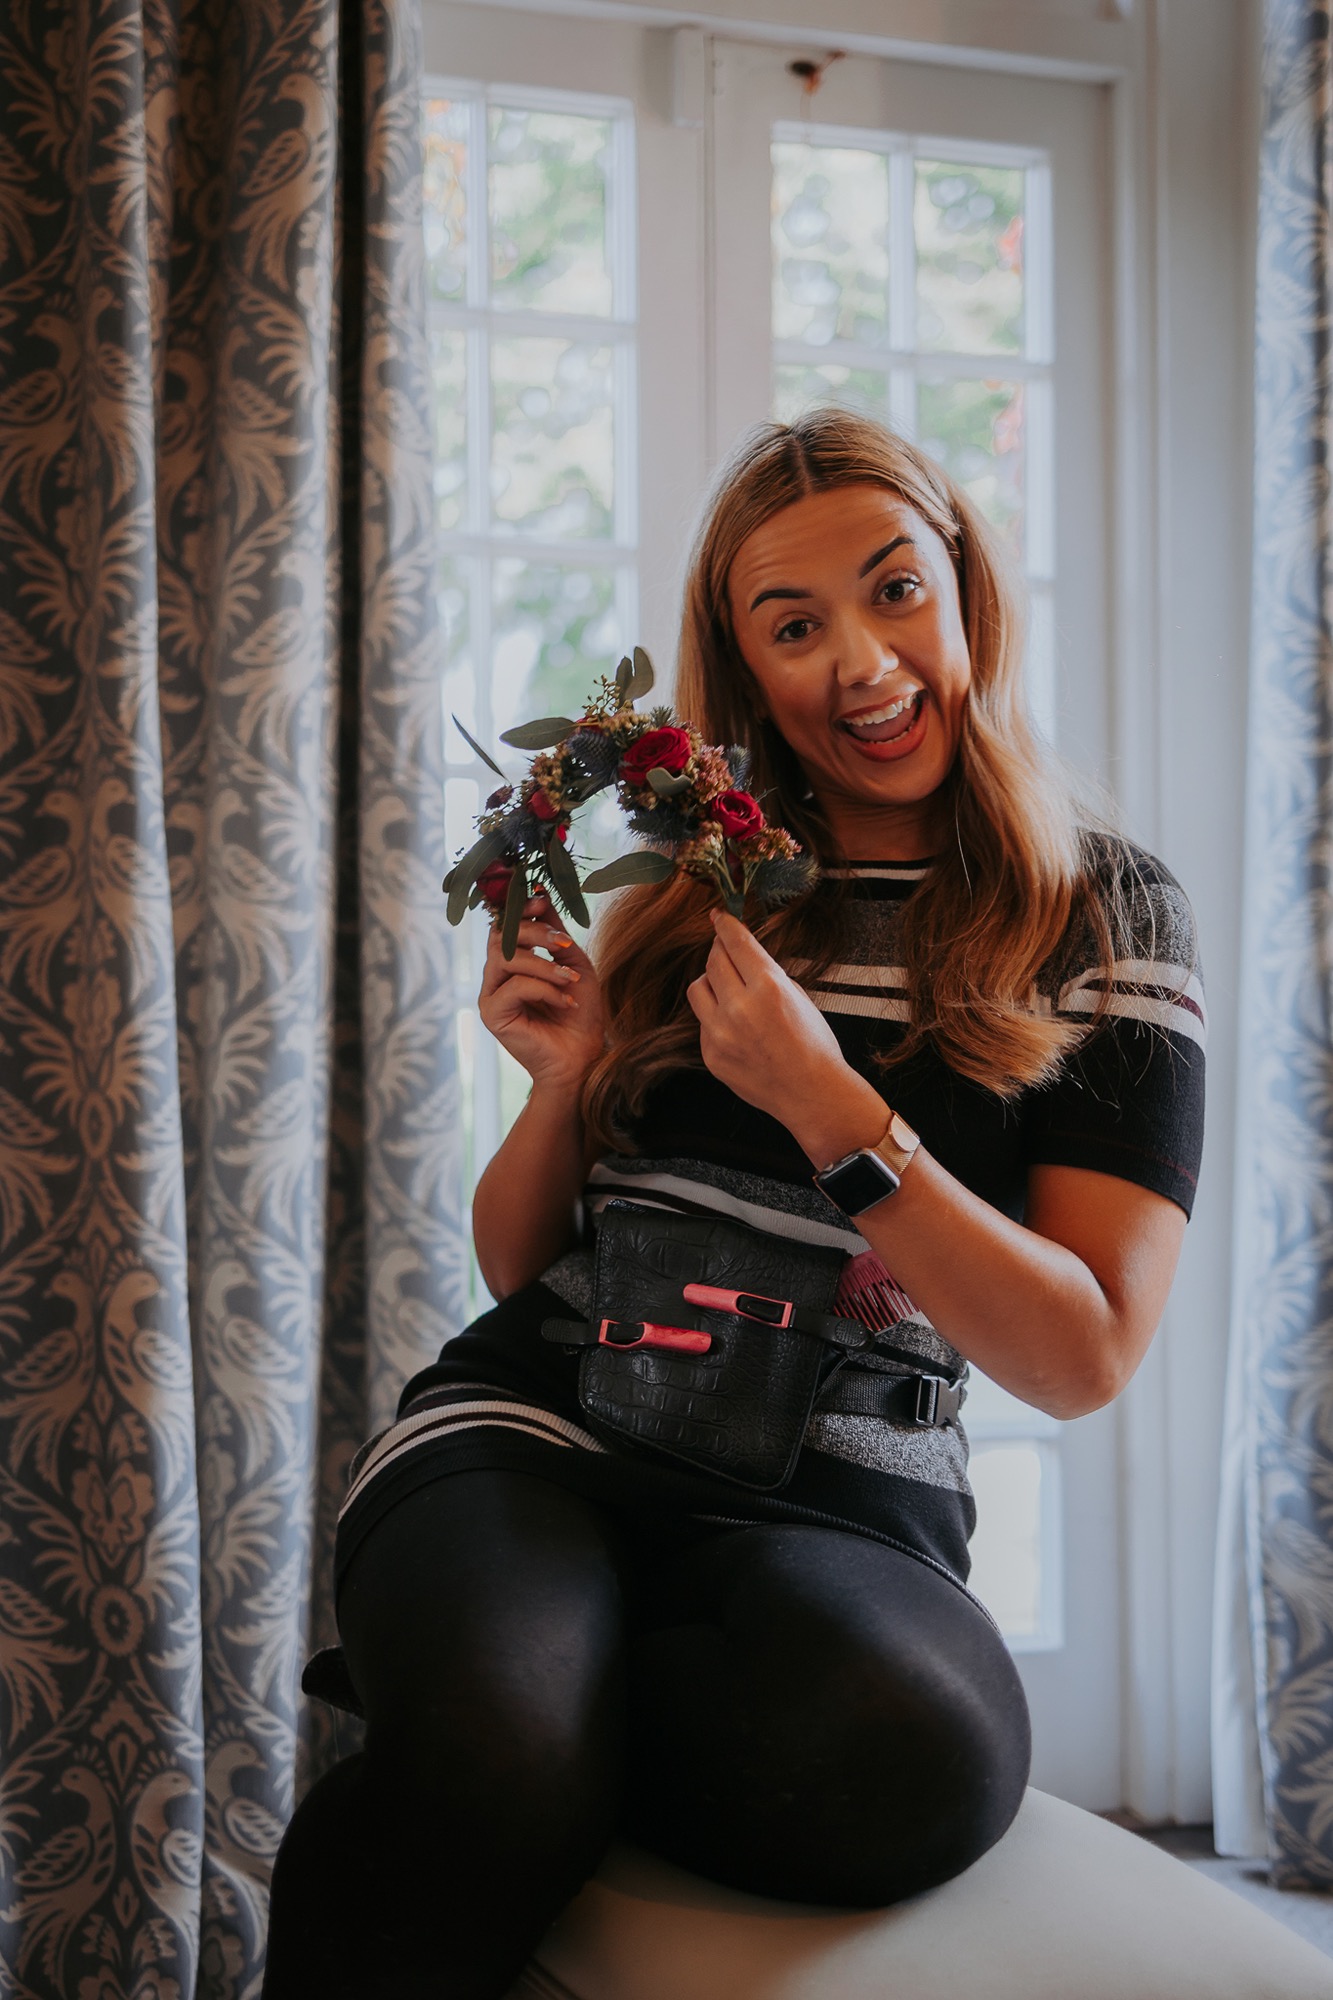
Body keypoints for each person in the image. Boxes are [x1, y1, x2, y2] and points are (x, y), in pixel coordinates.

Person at [261, 410, 1205, 2000]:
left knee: (914, 1760)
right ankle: (497, 1716)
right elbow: (526, 1268)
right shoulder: (689, 886)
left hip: (840, 1498)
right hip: (545, 1431)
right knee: (503, 1744)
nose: (860, 661)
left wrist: (833, 1111)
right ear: (742, 667)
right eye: (794, 626)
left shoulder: (1100, 910)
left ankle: (501, 1719)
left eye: (894, 590)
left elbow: (1082, 1354)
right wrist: (558, 1086)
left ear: (966, 591)